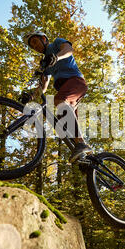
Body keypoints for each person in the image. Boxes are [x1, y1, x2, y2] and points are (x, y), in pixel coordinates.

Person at [23, 30, 92, 163]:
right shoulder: (44, 62)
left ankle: (82, 144)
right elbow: (43, 87)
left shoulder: (56, 43)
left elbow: (69, 50)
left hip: (75, 82)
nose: (35, 47)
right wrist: (31, 96)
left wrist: (57, 57)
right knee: (65, 126)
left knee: (58, 101)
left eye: (35, 42)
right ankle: (88, 161)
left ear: (43, 38)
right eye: (32, 46)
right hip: (67, 92)